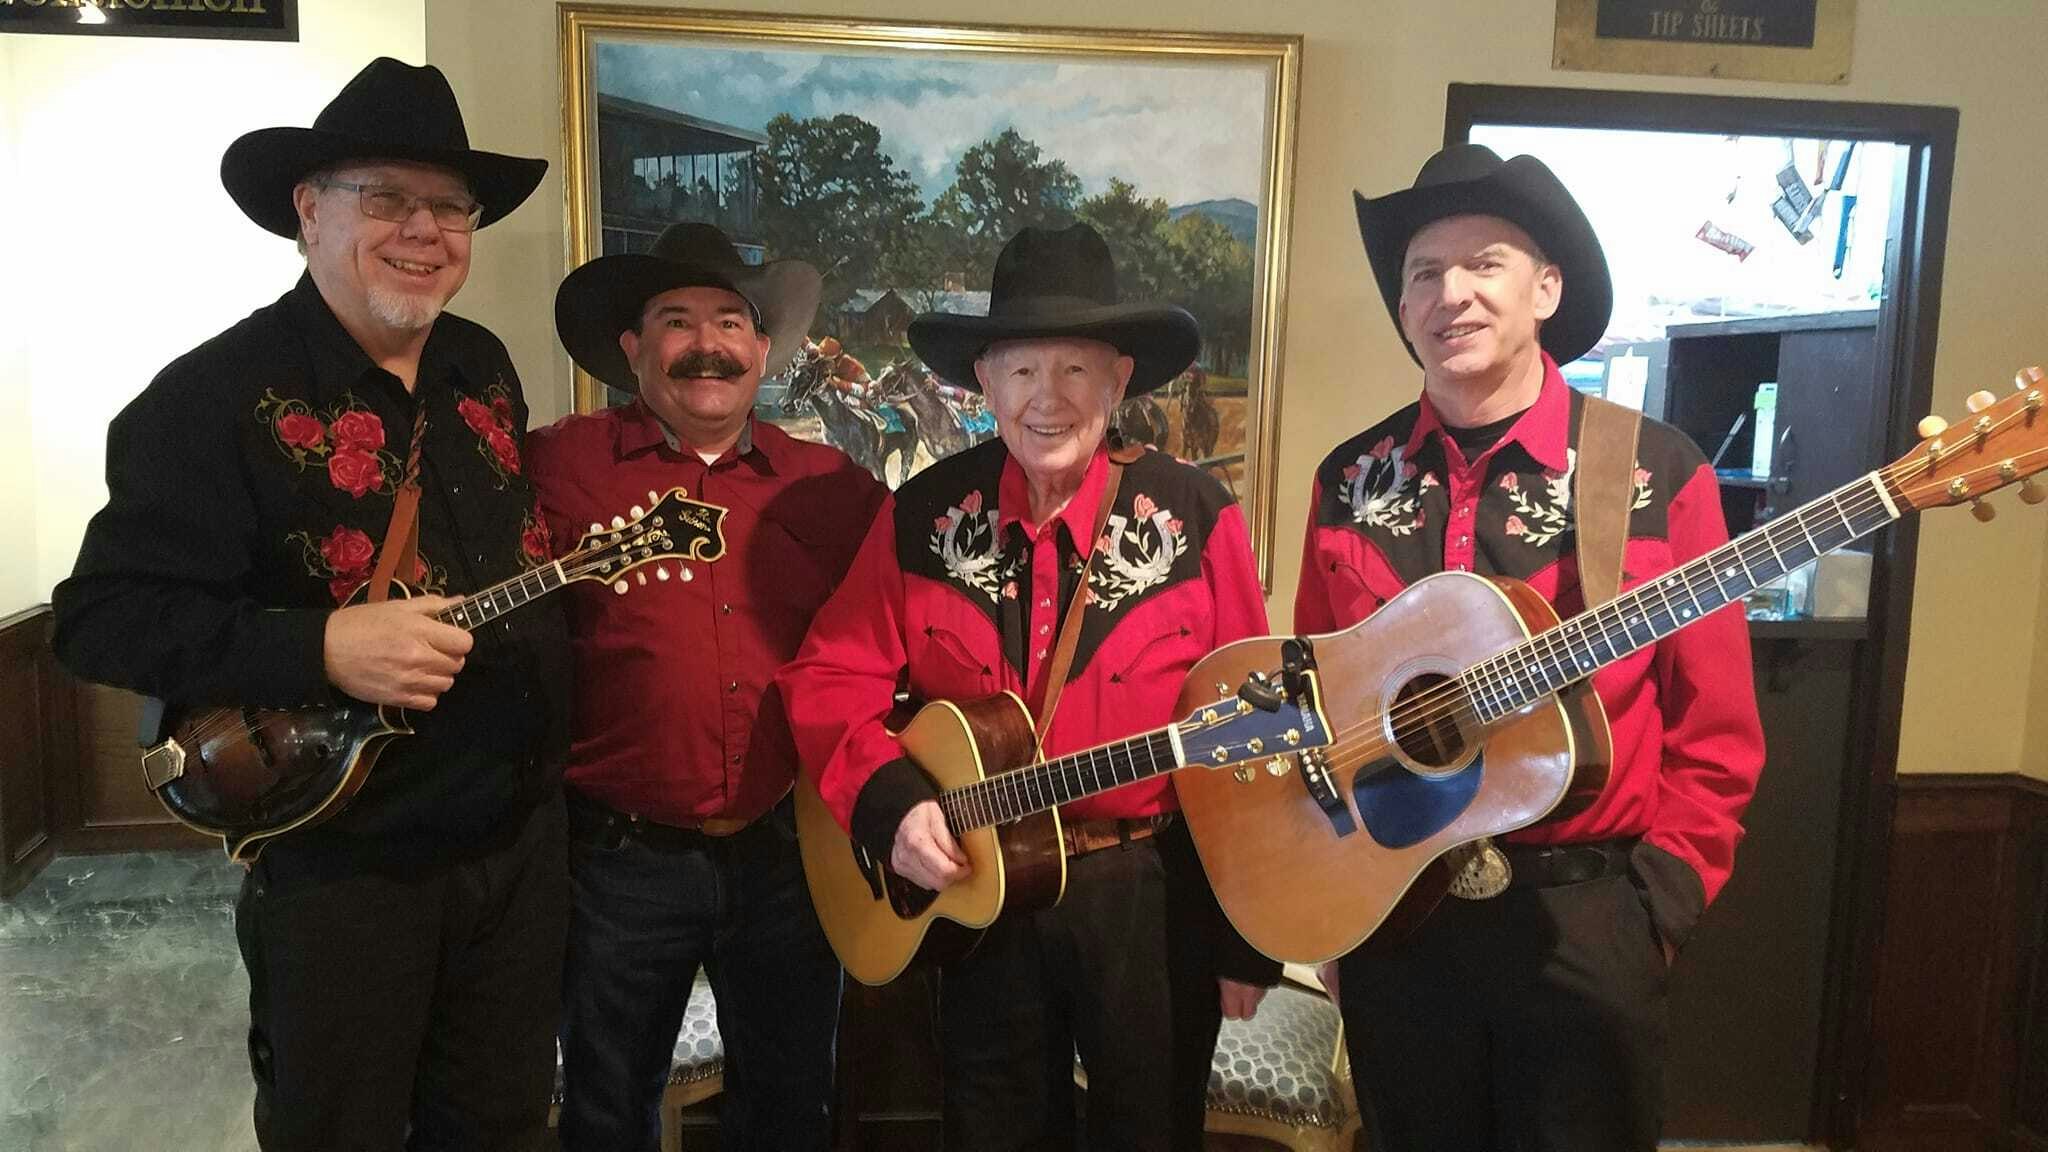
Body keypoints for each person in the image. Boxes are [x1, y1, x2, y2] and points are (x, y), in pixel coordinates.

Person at [52, 58, 571, 1150]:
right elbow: (100, 617)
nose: (422, 231)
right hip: (346, 874)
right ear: (308, 208)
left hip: (516, 845)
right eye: (385, 198)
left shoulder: (481, 367)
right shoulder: (207, 398)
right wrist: (321, 644)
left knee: (502, 1127)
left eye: (448, 207)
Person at [1296, 143, 1766, 1150]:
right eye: (1423, 272)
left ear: (1545, 287)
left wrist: (1653, 912)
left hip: (1583, 915)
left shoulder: (1652, 472)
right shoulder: (1347, 480)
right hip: (1396, 921)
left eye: (1484, 264)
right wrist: (1334, 905)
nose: (1448, 295)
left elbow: (1715, 730)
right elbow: (1315, 698)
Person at [776, 222, 1279, 1152]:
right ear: (984, 382)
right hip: (981, 887)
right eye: (1020, 371)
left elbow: (1258, 728)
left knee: (1149, 1132)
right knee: (990, 1130)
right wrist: (887, 803)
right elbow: (826, 675)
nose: (1047, 400)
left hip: (1149, 891)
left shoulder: (1199, 516)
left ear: (1121, 379)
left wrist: (1245, 935)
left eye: (1076, 371)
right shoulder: (924, 513)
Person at [530, 223, 885, 1151]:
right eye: (677, 321)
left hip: (788, 854)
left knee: (787, 1102)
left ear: (763, 350)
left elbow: (915, 610)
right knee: (607, 1109)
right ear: (633, 350)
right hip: (618, 862)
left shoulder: (832, 489)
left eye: (731, 321)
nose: (707, 345)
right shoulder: (558, 468)